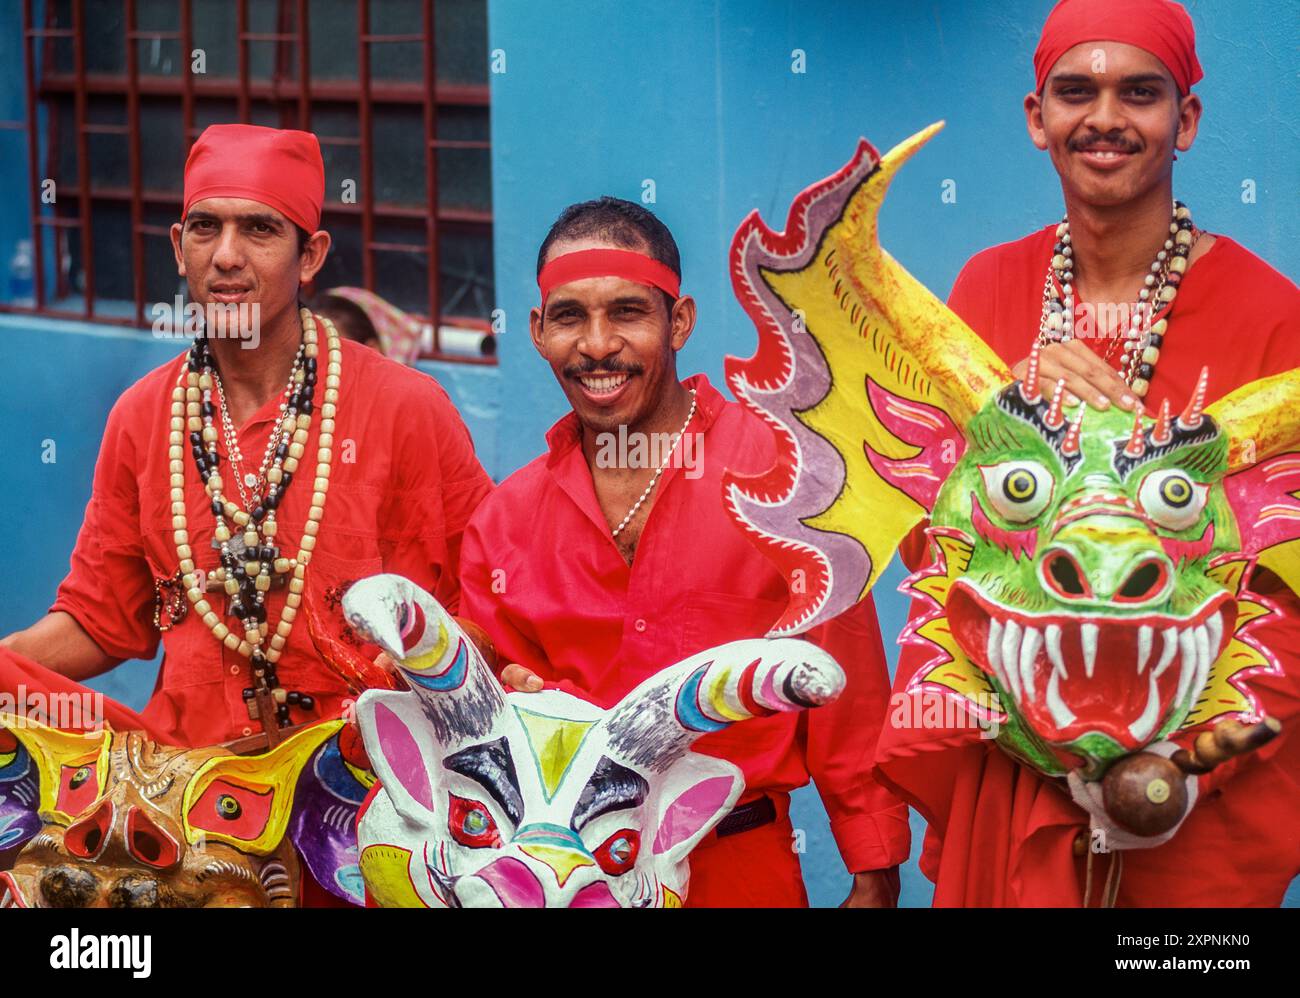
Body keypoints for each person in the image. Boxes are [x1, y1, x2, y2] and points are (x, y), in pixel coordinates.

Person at [876, 0, 1300, 906]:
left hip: (1194, 825)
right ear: (1039, 118)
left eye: (1139, 92)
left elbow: (1287, 607)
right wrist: (1012, 419)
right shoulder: (987, 288)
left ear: (1184, 118)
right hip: (1013, 788)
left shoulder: (1270, 314)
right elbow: (941, 544)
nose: (1104, 118)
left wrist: (1184, 770)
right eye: (1077, 91)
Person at [457, 197, 910, 907]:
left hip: (740, 864)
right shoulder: (504, 522)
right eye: (570, 316)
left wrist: (874, 872)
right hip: (561, 880)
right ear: (539, 332)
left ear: (680, 321)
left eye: (628, 313)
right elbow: (495, 722)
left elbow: (844, 690)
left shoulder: (784, 481)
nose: (598, 344)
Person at [1, 123, 493, 749]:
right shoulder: (144, 414)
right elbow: (104, 619)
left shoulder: (405, 408)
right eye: (206, 227)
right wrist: (8, 664)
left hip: (359, 781)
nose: (227, 255)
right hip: (186, 778)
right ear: (179, 247)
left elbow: (480, 601)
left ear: (309, 255)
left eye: (260, 229)